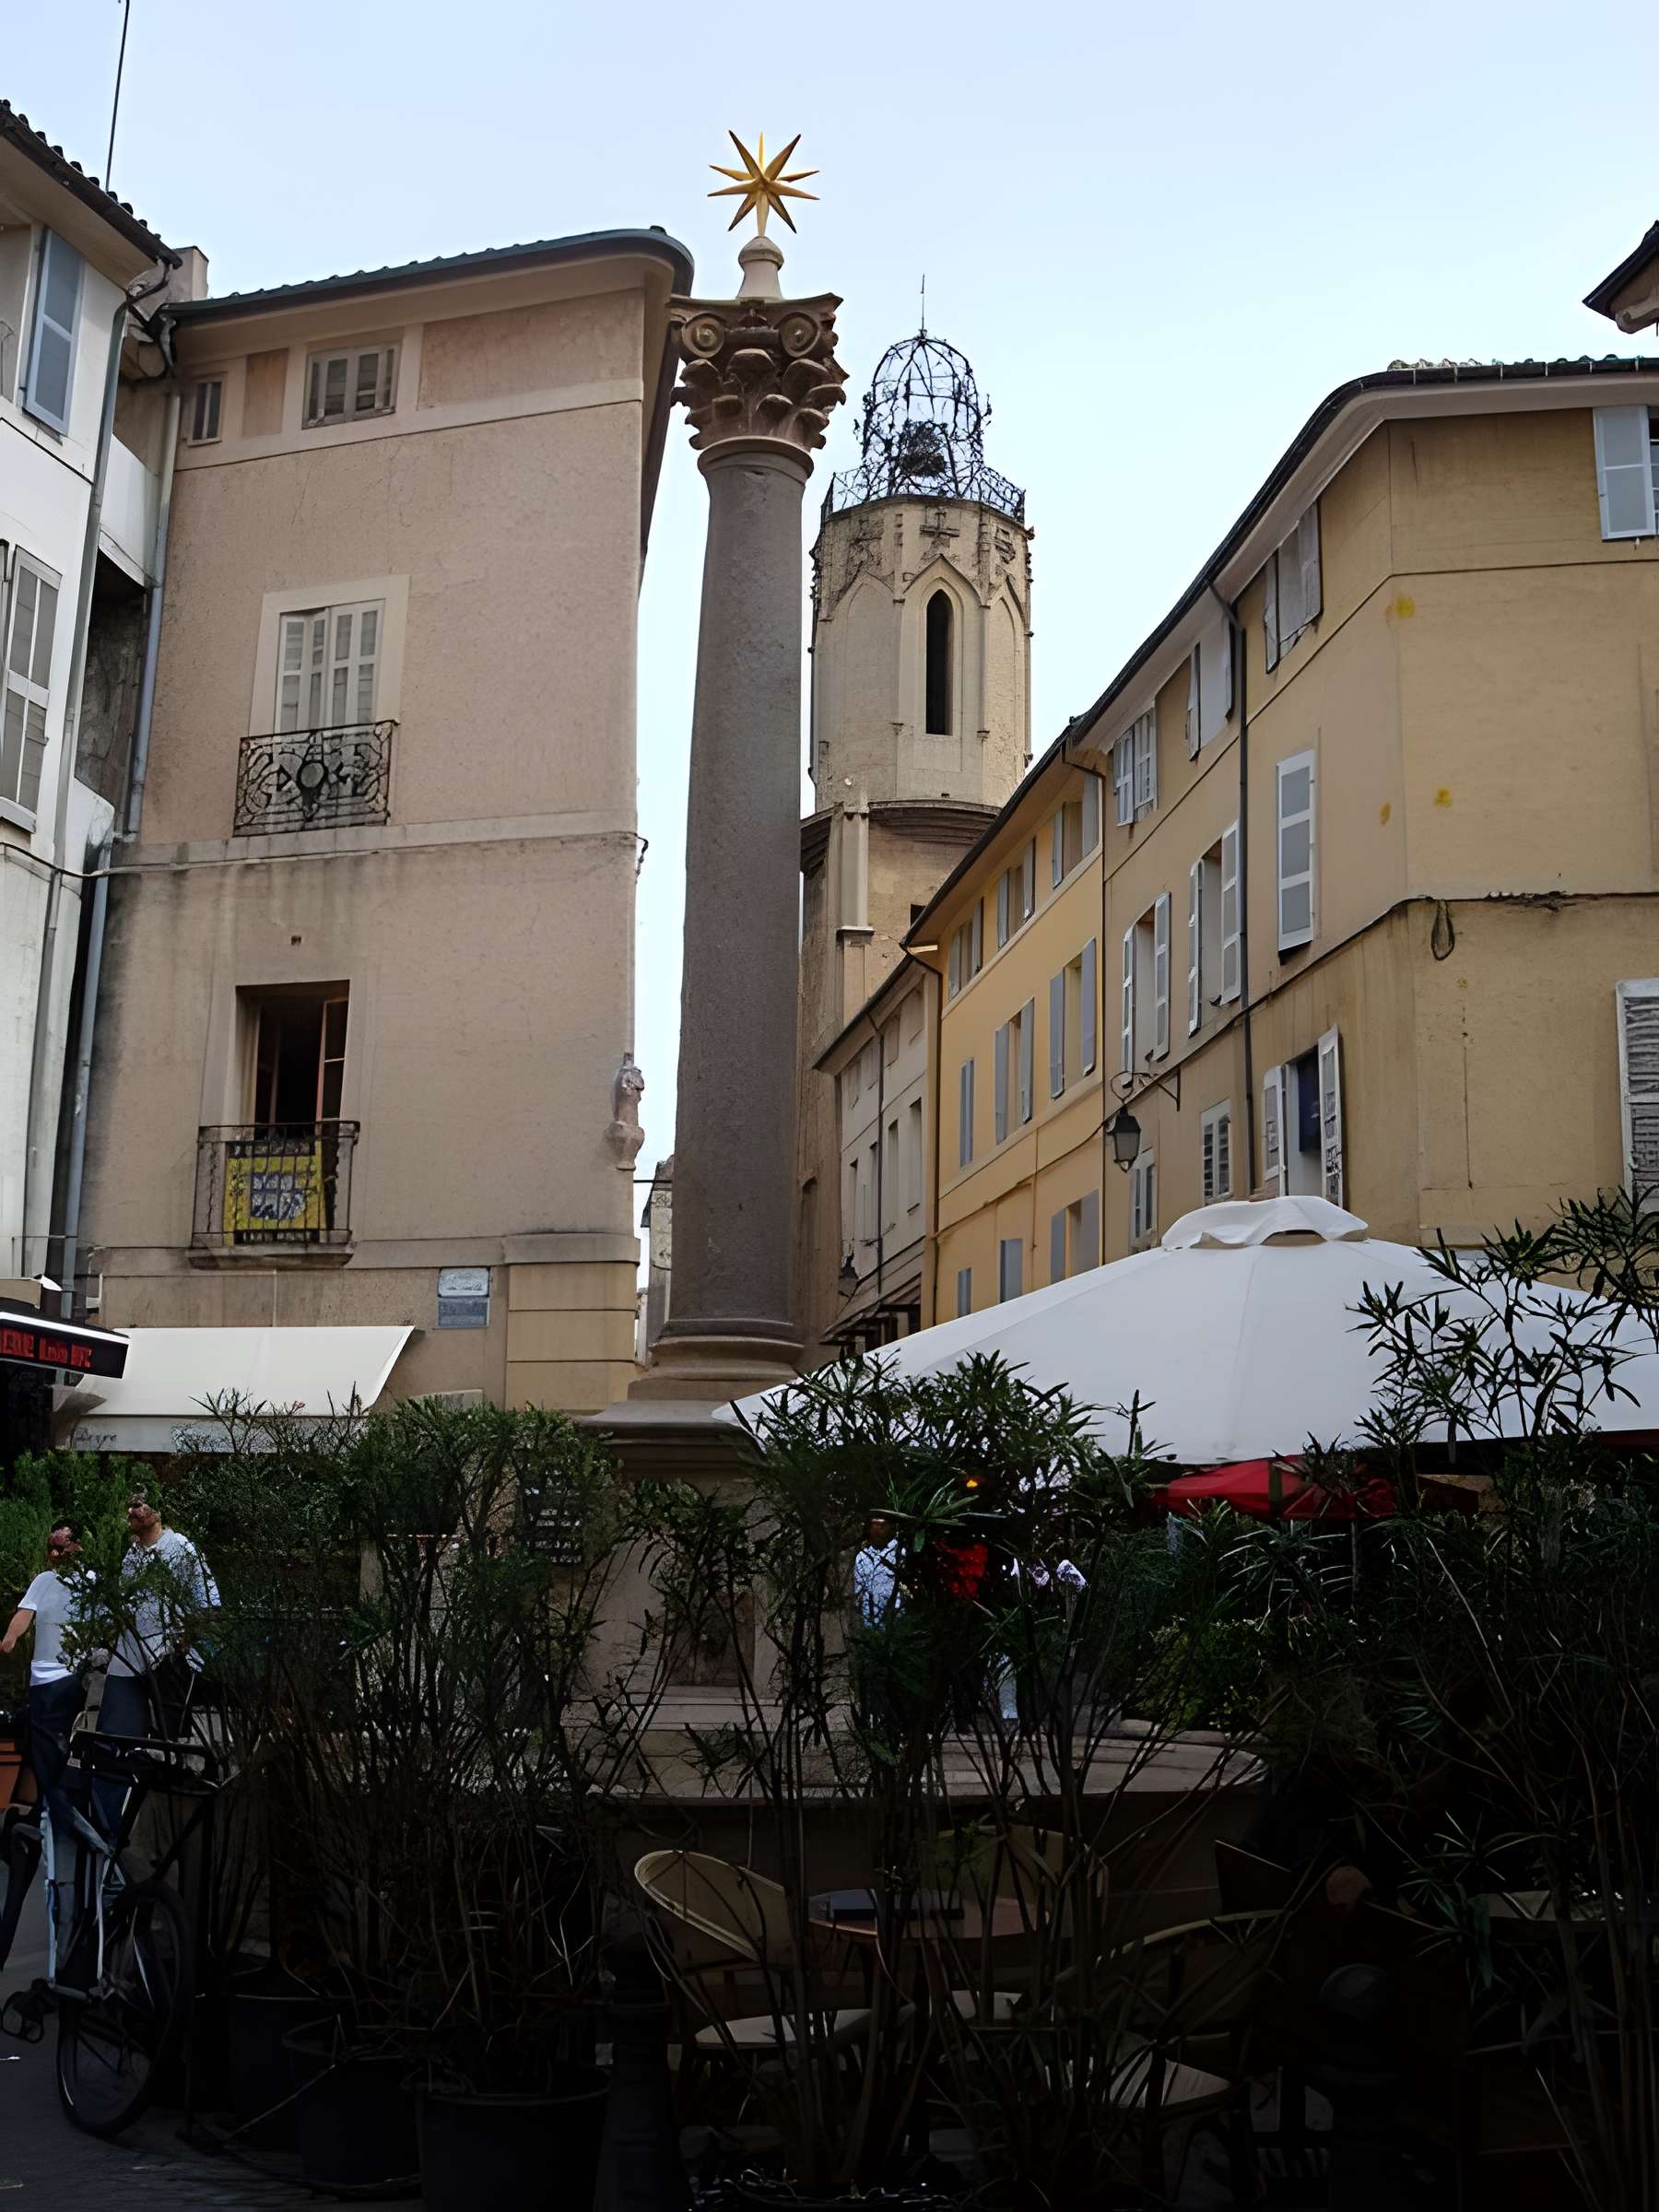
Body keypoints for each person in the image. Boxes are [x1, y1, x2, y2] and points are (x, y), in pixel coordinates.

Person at [100, 1490, 219, 1745]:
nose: (131, 1511)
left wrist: (184, 1644)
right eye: (129, 1506)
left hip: (167, 1659)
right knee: (116, 1736)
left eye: (139, 1505)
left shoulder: (181, 1548)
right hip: (128, 1657)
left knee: (169, 1740)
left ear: (159, 1512)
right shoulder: (131, 1554)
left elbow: (207, 1603)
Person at [1, 1524, 95, 1843]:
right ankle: (49, 1810)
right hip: (43, 1677)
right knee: (42, 1746)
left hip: (72, 1676)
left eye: (61, 1547)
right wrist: (10, 1637)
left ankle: (59, 1813)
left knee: (59, 1745)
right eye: (51, 1548)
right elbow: (25, 1612)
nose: (54, 1554)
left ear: (78, 1547)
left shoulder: (92, 1584)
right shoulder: (44, 1581)